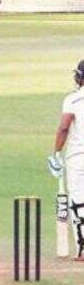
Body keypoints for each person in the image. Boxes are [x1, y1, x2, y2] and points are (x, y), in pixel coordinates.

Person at [49, 59, 84, 259]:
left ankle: (83, 248)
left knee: (79, 200)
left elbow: (64, 128)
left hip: (78, 157)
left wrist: (56, 152)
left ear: (79, 77)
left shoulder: (73, 100)